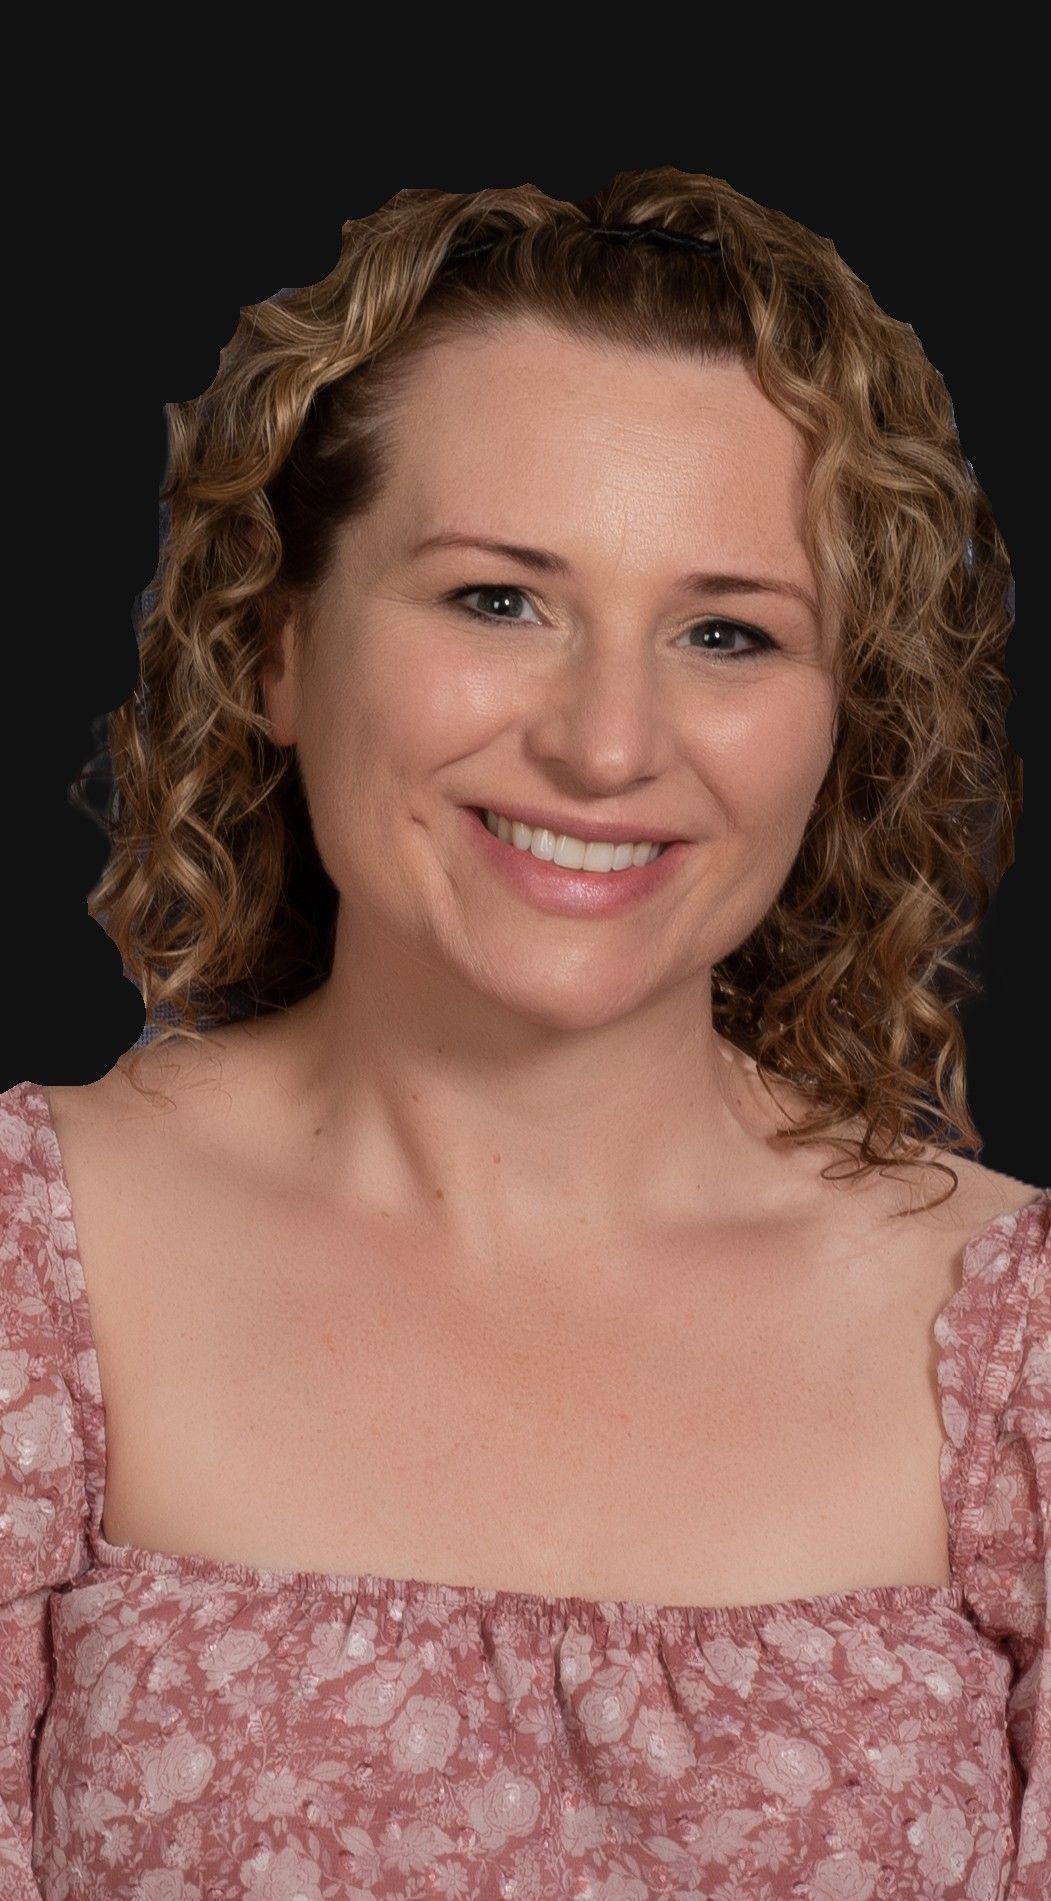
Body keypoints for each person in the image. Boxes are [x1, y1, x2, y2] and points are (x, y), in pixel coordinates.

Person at [1, 167, 1046, 1899]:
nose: (608, 742)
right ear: (276, 644)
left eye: (728, 631)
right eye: (500, 598)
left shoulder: (1020, 1350)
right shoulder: (34, 1272)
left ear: (835, 719)